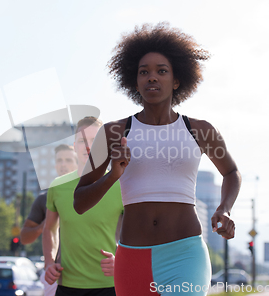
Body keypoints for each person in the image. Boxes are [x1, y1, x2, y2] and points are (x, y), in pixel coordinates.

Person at [73, 22, 241, 296]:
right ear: (135, 81)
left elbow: (231, 173)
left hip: (185, 255)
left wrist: (225, 208)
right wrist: (112, 175)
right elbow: (79, 202)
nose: (152, 77)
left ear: (176, 80)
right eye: (144, 72)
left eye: (161, 71)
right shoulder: (114, 132)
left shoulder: (200, 130)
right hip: (132, 258)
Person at [43, 116, 124, 296]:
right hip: (67, 286)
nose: (88, 146)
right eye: (82, 141)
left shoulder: (121, 184)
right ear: (74, 145)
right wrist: (49, 262)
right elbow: (49, 229)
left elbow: (139, 233)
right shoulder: (57, 186)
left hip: (110, 286)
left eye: (95, 140)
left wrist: (122, 260)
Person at [21, 144, 78, 296]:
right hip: (56, 274)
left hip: (88, 273)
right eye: (59, 160)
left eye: (68, 160)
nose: (63, 164)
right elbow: (24, 237)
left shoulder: (90, 193)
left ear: (78, 163)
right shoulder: (44, 199)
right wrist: (45, 225)